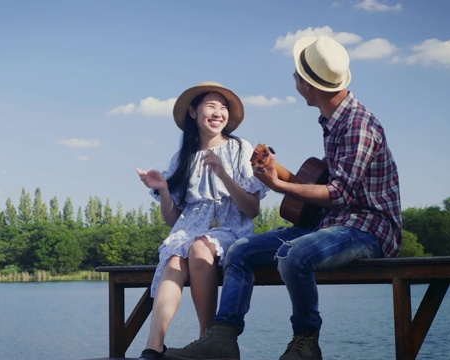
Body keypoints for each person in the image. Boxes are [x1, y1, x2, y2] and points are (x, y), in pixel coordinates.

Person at [165, 36, 402, 360]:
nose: (293, 78)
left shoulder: (357, 124)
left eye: (297, 74)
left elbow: (338, 194)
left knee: (293, 254)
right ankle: (221, 340)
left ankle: (306, 341)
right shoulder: (333, 121)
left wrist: (279, 186)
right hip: (329, 223)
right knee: (240, 250)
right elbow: (330, 181)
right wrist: (277, 171)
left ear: (308, 85)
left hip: (368, 228)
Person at [135, 81, 268, 360]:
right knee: (173, 258)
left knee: (198, 247)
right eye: (211, 106)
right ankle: (153, 345)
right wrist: (163, 190)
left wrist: (223, 175)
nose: (218, 112)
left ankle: (208, 340)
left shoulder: (239, 148)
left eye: (223, 107)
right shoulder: (183, 157)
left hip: (230, 228)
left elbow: (252, 209)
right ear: (193, 113)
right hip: (189, 230)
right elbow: (173, 220)